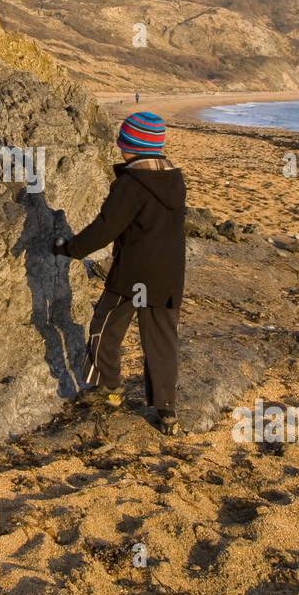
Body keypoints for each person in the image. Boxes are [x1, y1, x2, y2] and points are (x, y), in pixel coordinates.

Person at [52, 112, 187, 435]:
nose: (119, 145)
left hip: (132, 275)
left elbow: (105, 229)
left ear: (133, 145)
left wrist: (69, 248)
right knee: (162, 341)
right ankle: (166, 410)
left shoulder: (130, 185)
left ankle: (109, 387)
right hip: (169, 276)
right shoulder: (174, 180)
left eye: (122, 140)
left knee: (105, 328)